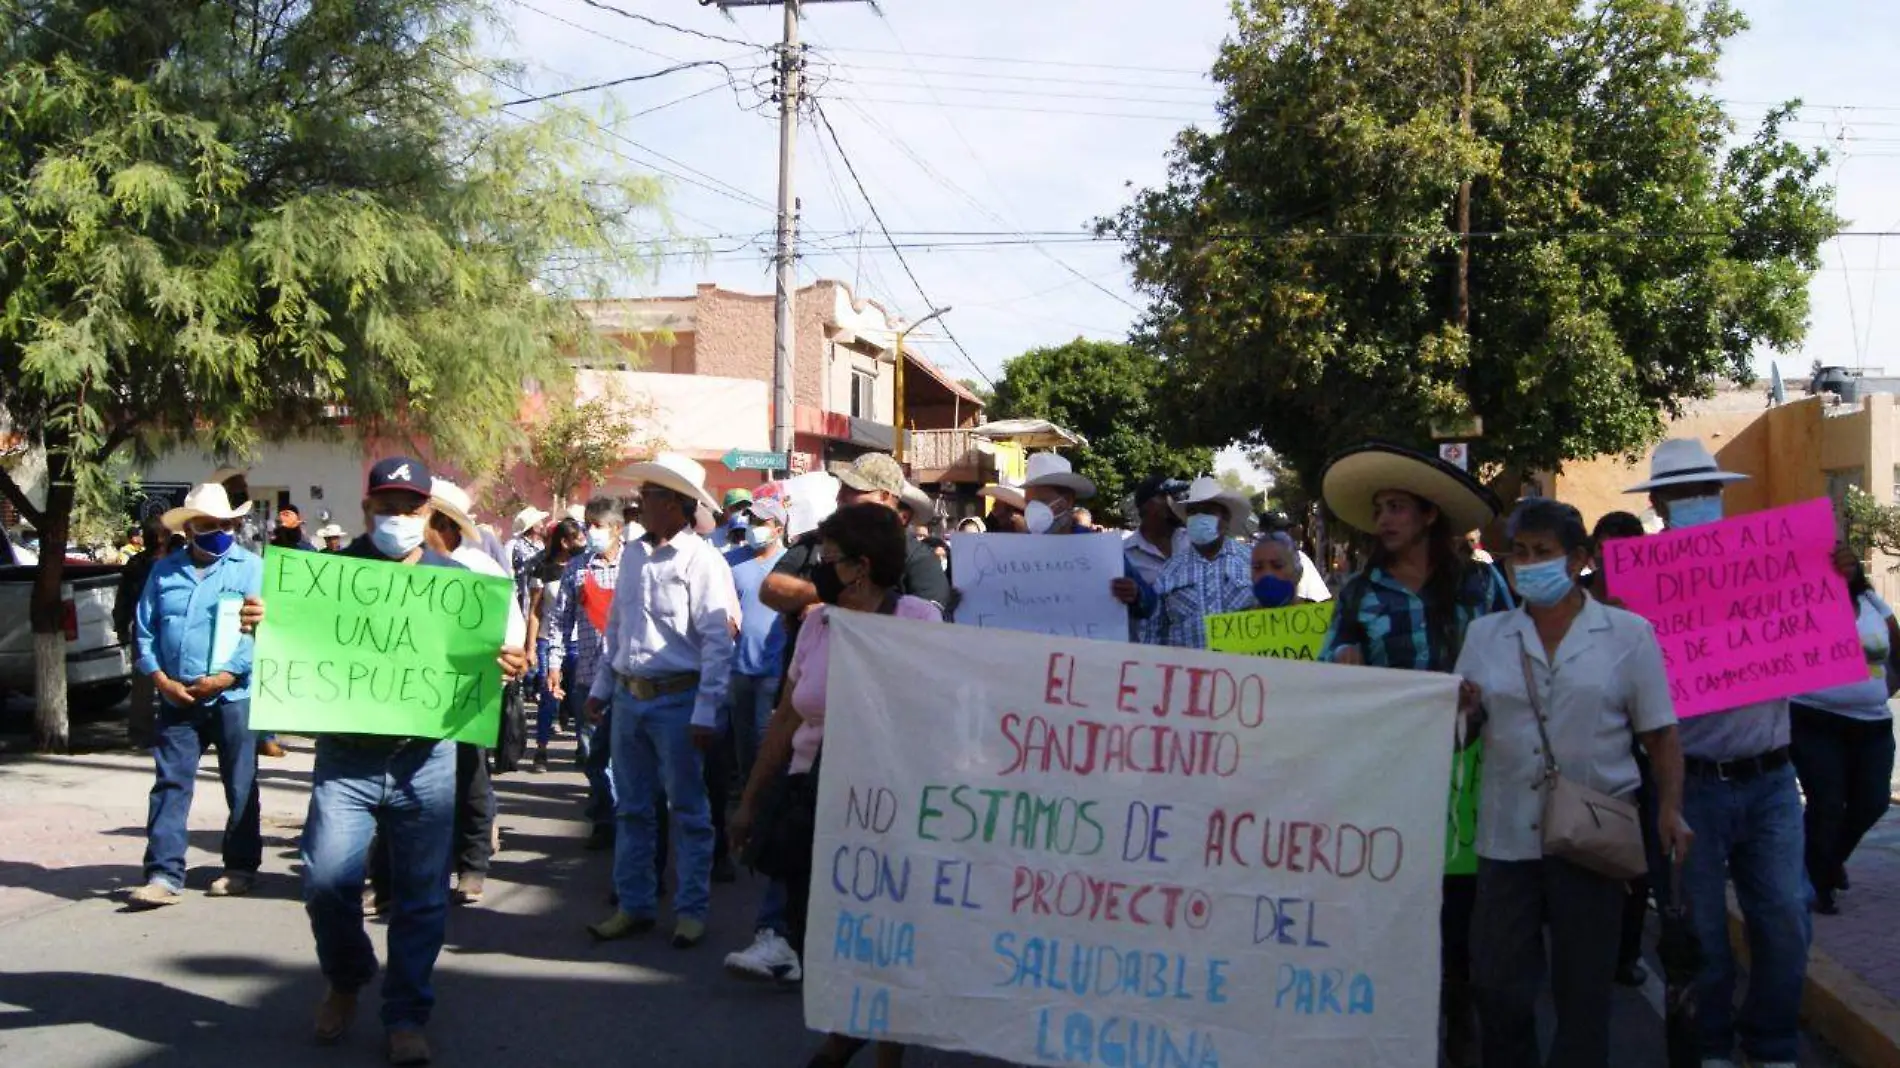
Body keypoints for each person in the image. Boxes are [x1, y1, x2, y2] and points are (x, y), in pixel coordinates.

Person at [265, 456, 526, 1066]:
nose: (398, 518)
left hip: (425, 761)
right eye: (386, 507)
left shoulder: (460, 587)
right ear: (367, 511)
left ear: (428, 513)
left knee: (421, 897)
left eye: (410, 508)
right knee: (326, 882)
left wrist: (507, 665)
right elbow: (295, 644)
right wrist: (265, 622)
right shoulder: (328, 575)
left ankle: (406, 1014)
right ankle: (349, 974)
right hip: (347, 760)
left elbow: (485, 662)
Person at [1453, 498, 1690, 1068]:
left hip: (1593, 834)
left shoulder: (1627, 634)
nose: (1529, 564)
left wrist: (1670, 810)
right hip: (1506, 835)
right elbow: (1459, 733)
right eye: (1520, 553)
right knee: (1498, 985)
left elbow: (1660, 733)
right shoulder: (1487, 635)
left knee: (1583, 993)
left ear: (1579, 558)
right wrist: (1463, 713)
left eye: (1544, 553)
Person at [1319, 442, 1512, 1068]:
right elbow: (1330, 665)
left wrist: (1485, 695)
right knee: (1396, 916)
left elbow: (1516, 656)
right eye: (1379, 509)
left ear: (1430, 515)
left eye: (1397, 507)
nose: (1385, 520)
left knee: (1462, 923)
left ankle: (1459, 1031)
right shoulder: (1358, 592)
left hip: (1473, 780)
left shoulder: (1482, 585)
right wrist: (1343, 663)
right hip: (1390, 782)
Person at [731, 503, 942, 1067]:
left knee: (883, 944)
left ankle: (858, 1053)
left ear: (861, 567)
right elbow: (784, 719)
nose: (817, 571)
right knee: (825, 944)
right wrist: (750, 803)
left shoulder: (918, 619)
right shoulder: (817, 623)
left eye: (828, 560)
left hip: (885, 806)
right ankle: (845, 1040)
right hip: (811, 802)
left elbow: (936, 713)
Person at [1626, 438, 1807, 1068]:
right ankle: (1709, 1048)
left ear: (1722, 497)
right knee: (1700, 928)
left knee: (1785, 915)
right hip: (1691, 783)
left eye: (1704, 493)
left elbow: (1831, 643)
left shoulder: (1780, 564)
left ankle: (1773, 1043)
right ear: (1658, 504)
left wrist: (1837, 579)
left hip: (1772, 777)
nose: (1696, 504)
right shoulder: (1638, 589)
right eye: (1681, 496)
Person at [585, 454, 734, 949]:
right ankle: (635, 905)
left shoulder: (702, 559)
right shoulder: (632, 555)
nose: (637, 504)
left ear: (673, 505)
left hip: (678, 699)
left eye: (645, 497)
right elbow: (619, 629)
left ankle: (691, 910)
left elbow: (717, 641)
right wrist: (602, 689)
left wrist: (707, 710)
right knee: (632, 808)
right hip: (630, 697)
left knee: (688, 810)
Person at [125, 483, 265, 909]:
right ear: (190, 527)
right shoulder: (164, 571)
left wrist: (226, 676)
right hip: (176, 696)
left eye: (226, 523)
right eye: (209, 524)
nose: (219, 530)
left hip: (232, 695)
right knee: (170, 784)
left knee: (240, 783)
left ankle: (240, 866)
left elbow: (262, 635)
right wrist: (161, 680)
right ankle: (164, 874)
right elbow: (144, 630)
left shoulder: (252, 569)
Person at [420, 479, 528, 906]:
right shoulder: (403, 565)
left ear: (442, 523)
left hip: (465, 695)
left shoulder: (481, 570)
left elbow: (512, 629)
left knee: (470, 779)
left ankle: (472, 866)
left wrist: (504, 667)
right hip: (412, 696)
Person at [761, 453, 953, 676]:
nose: (840, 498)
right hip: (806, 688)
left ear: (885, 496)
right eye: (842, 488)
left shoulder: (918, 559)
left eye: (854, 490)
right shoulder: (818, 540)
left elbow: (924, 638)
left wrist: (842, 609)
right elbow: (770, 589)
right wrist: (822, 595)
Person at [1790, 542, 1899, 916]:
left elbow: (1896, 650)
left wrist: (1885, 688)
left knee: (1873, 803)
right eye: (1833, 560)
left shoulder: (1872, 604)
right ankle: (1818, 883)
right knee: (1827, 804)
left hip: (1873, 725)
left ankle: (1827, 861)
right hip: (1813, 721)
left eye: (1848, 560)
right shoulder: (1798, 606)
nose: (1842, 566)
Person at [719, 496, 802, 984]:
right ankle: (749, 798)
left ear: (779, 527)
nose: (753, 527)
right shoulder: (732, 564)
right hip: (738, 670)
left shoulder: (787, 571)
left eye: (763, 521)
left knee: (765, 750)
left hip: (774, 676)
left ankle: (757, 806)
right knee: (744, 748)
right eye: (750, 520)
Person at [1581, 508, 1666, 986]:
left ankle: (1625, 954)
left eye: (1624, 551)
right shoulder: (1578, 599)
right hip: (1592, 744)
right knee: (1590, 848)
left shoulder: (1660, 598)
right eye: (1605, 550)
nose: (1614, 560)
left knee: (1640, 860)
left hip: (1647, 746)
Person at [547, 500, 628, 848]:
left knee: (625, 757)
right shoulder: (577, 569)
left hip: (627, 680)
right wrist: (553, 664)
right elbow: (559, 621)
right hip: (587, 677)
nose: (589, 532)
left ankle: (621, 820)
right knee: (593, 756)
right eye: (587, 525)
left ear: (617, 529)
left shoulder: (636, 565)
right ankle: (606, 815)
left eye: (597, 525)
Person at [1009, 453, 1156, 626]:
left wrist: (1135, 593)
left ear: (1067, 501)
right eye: (1029, 502)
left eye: (1042, 501)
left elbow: (1150, 604)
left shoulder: (1100, 547)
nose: (1033, 510)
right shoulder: (1016, 552)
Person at [1153, 476, 1255, 648]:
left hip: (1244, 673)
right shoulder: (1170, 570)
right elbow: (1154, 632)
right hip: (1187, 673)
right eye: (1192, 512)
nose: (1199, 517)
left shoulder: (1252, 563)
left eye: (1208, 510)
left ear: (1225, 519)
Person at [524, 518, 584, 772]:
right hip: (549, 640)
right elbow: (535, 611)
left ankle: (584, 748)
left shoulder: (584, 568)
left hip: (580, 642)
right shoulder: (543, 569)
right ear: (564, 541)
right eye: (578, 537)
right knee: (549, 695)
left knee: (581, 697)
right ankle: (541, 749)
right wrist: (530, 647)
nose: (583, 542)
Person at [115, 515, 172, 748]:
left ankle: (143, 733)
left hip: (151, 629)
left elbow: (123, 601)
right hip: (160, 629)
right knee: (155, 682)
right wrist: (121, 625)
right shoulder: (169, 564)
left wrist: (121, 626)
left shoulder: (139, 563)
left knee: (145, 684)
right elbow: (125, 599)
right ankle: (148, 731)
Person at [1250, 531, 1315, 608]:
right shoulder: (1239, 618)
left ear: (1298, 573)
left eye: (1277, 566)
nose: (1267, 574)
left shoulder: (1323, 616)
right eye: (1258, 567)